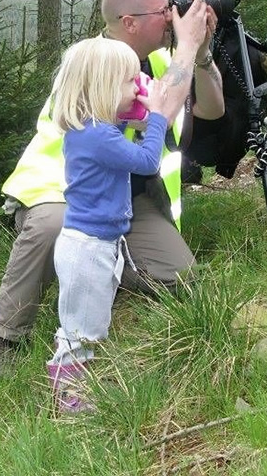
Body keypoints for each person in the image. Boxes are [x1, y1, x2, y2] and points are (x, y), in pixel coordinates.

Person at [0, 0, 224, 377]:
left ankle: (107, 268)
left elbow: (213, 110)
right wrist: (186, 46)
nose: (172, 16)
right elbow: (162, 108)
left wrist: (199, 53)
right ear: (129, 22)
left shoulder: (162, 61)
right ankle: (8, 336)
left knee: (182, 279)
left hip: (130, 201)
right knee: (51, 226)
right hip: (64, 193)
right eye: (162, 11)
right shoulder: (90, 65)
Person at [45, 37, 173, 412]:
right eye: (130, 81)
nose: (137, 87)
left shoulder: (90, 129)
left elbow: (119, 129)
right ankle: (70, 398)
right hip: (89, 249)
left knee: (84, 321)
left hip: (91, 244)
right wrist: (158, 117)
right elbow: (148, 161)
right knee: (83, 329)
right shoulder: (99, 136)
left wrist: (137, 113)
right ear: (103, 87)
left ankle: (74, 381)